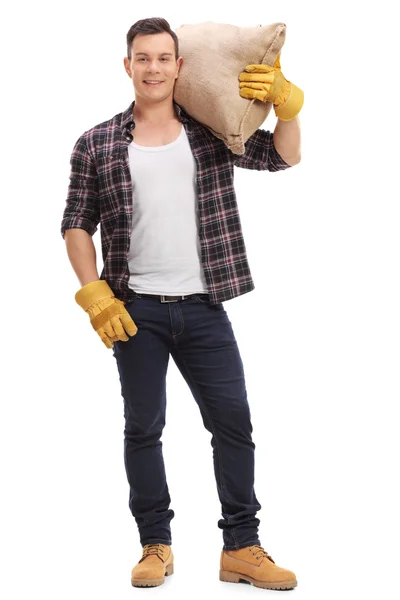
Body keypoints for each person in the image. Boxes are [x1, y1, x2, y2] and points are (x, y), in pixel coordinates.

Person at [61, 17, 302, 591]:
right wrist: (93, 292)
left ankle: (242, 547)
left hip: (204, 307)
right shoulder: (96, 142)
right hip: (135, 311)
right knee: (143, 428)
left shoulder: (211, 130)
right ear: (128, 66)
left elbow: (283, 158)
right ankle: (156, 546)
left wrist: (290, 106)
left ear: (180, 66)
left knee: (234, 425)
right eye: (142, 58)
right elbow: (76, 224)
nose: (154, 68)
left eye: (164, 58)